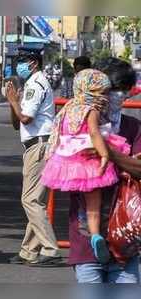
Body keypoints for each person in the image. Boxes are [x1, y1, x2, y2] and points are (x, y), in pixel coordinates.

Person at [42, 69, 131, 265]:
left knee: (82, 202)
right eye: (103, 91)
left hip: (68, 161)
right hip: (89, 160)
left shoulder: (67, 108)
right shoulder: (91, 109)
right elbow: (93, 132)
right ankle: (96, 235)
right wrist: (106, 153)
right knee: (94, 205)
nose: (105, 96)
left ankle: (92, 235)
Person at [68, 57, 140, 283]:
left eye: (122, 90)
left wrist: (107, 151)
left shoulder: (134, 128)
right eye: (111, 89)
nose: (116, 95)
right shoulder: (77, 124)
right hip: (86, 238)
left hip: (126, 235)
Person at [6, 48, 61, 266]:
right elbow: (16, 123)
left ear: (34, 64)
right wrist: (14, 102)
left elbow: (26, 118)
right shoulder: (29, 85)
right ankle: (28, 251)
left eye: (22, 61)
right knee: (35, 200)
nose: (18, 65)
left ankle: (50, 247)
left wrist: (13, 101)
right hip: (34, 146)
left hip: (39, 145)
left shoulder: (36, 85)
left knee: (29, 200)